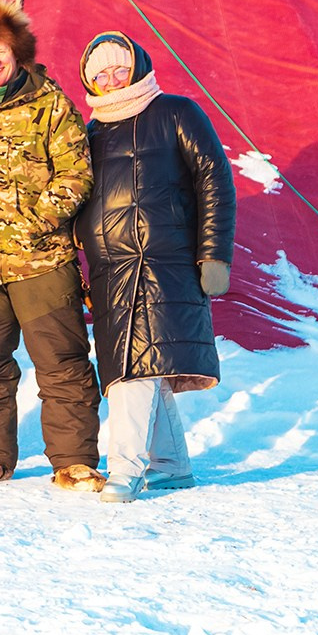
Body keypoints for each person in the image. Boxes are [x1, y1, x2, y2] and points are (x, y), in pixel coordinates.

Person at [0, 0, 102, 490]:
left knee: (62, 362)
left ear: (18, 52)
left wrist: (33, 223)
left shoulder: (52, 105)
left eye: (1, 51)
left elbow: (76, 175)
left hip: (41, 260)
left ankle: (74, 460)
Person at [75, 31, 235, 503]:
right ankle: (171, 464)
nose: (110, 80)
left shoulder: (175, 112)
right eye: (99, 74)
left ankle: (124, 470)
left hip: (164, 263)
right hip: (111, 270)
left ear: (138, 67)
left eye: (118, 69)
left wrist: (214, 255)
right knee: (142, 365)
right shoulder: (92, 130)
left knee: (132, 375)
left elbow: (215, 179)